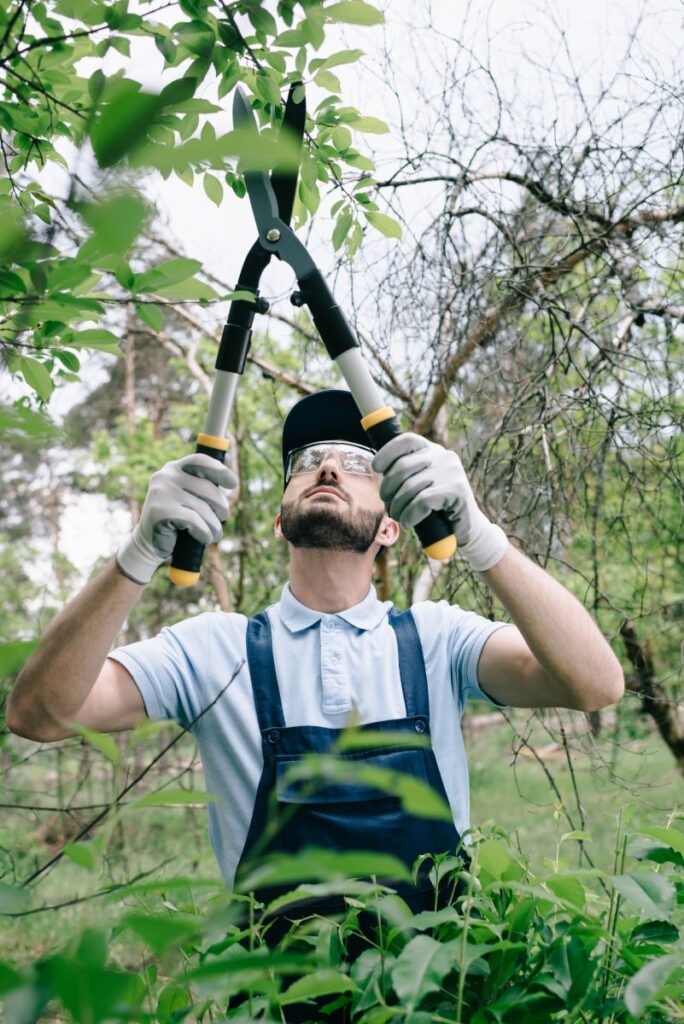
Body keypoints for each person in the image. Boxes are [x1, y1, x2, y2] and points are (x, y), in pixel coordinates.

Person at [7, 388, 624, 917]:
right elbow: (39, 714)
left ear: (391, 525)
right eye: (307, 462)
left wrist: (480, 535)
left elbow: (595, 684)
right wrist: (138, 552)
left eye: (357, 462)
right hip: (276, 999)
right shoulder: (212, 651)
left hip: (434, 992)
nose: (328, 468)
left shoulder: (439, 640)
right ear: (279, 519)